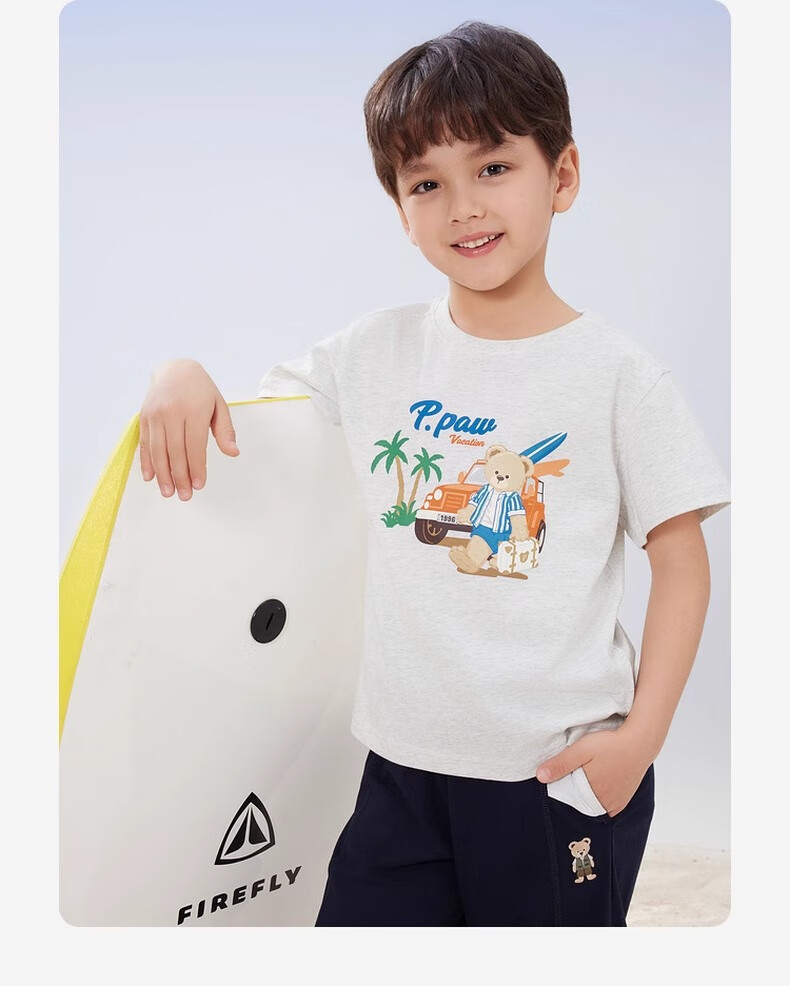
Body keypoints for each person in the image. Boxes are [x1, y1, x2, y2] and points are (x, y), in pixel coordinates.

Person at [138, 21, 731, 926]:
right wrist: (176, 370)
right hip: (399, 767)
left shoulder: (619, 377)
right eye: (427, 184)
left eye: (493, 167)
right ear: (400, 209)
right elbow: (256, 429)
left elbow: (681, 562)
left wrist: (641, 740)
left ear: (562, 176)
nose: (463, 207)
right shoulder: (372, 353)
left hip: (554, 773)